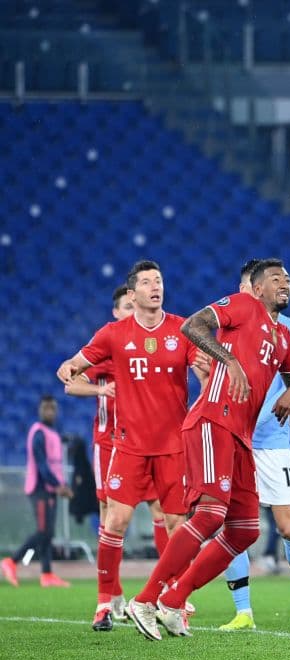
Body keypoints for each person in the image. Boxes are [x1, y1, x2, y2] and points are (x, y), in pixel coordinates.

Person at [127, 259, 290, 641]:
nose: (285, 284)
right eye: (276, 279)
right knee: (211, 514)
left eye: (288, 279)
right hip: (213, 421)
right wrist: (231, 362)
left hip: (241, 436)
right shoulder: (244, 307)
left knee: (245, 530)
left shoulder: (284, 337)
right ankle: (146, 598)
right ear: (257, 288)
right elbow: (191, 325)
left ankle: (175, 600)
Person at [56, 260, 203, 632]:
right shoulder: (113, 334)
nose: (156, 286)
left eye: (160, 280)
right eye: (148, 282)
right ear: (132, 292)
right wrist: (68, 366)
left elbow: (203, 371)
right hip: (129, 446)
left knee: (176, 525)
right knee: (115, 521)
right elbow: (74, 366)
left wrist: (209, 375)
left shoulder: (183, 330)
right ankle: (107, 600)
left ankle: (175, 600)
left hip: (173, 447)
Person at [218, 259, 290, 631]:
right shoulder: (228, 325)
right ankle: (243, 611)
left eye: (286, 280)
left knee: (288, 526)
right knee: (234, 528)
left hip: (272, 440)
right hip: (233, 436)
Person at [63, 286, 170, 561]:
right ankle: (111, 594)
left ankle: (167, 586)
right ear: (115, 312)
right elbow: (70, 384)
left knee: (160, 508)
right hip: (110, 442)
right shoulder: (106, 349)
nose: (132, 312)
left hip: (148, 442)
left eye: (134, 307)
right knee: (110, 515)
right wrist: (100, 390)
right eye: (126, 307)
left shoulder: (150, 347)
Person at [1, 396, 74, 589]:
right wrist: (59, 486)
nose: (49, 412)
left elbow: (55, 464)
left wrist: (61, 484)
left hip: (50, 489)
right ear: (40, 410)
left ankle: (47, 574)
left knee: (48, 533)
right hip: (40, 488)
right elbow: (42, 465)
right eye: (46, 408)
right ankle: (11, 561)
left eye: (52, 408)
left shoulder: (53, 433)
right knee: (44, 531)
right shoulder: (38, 433)